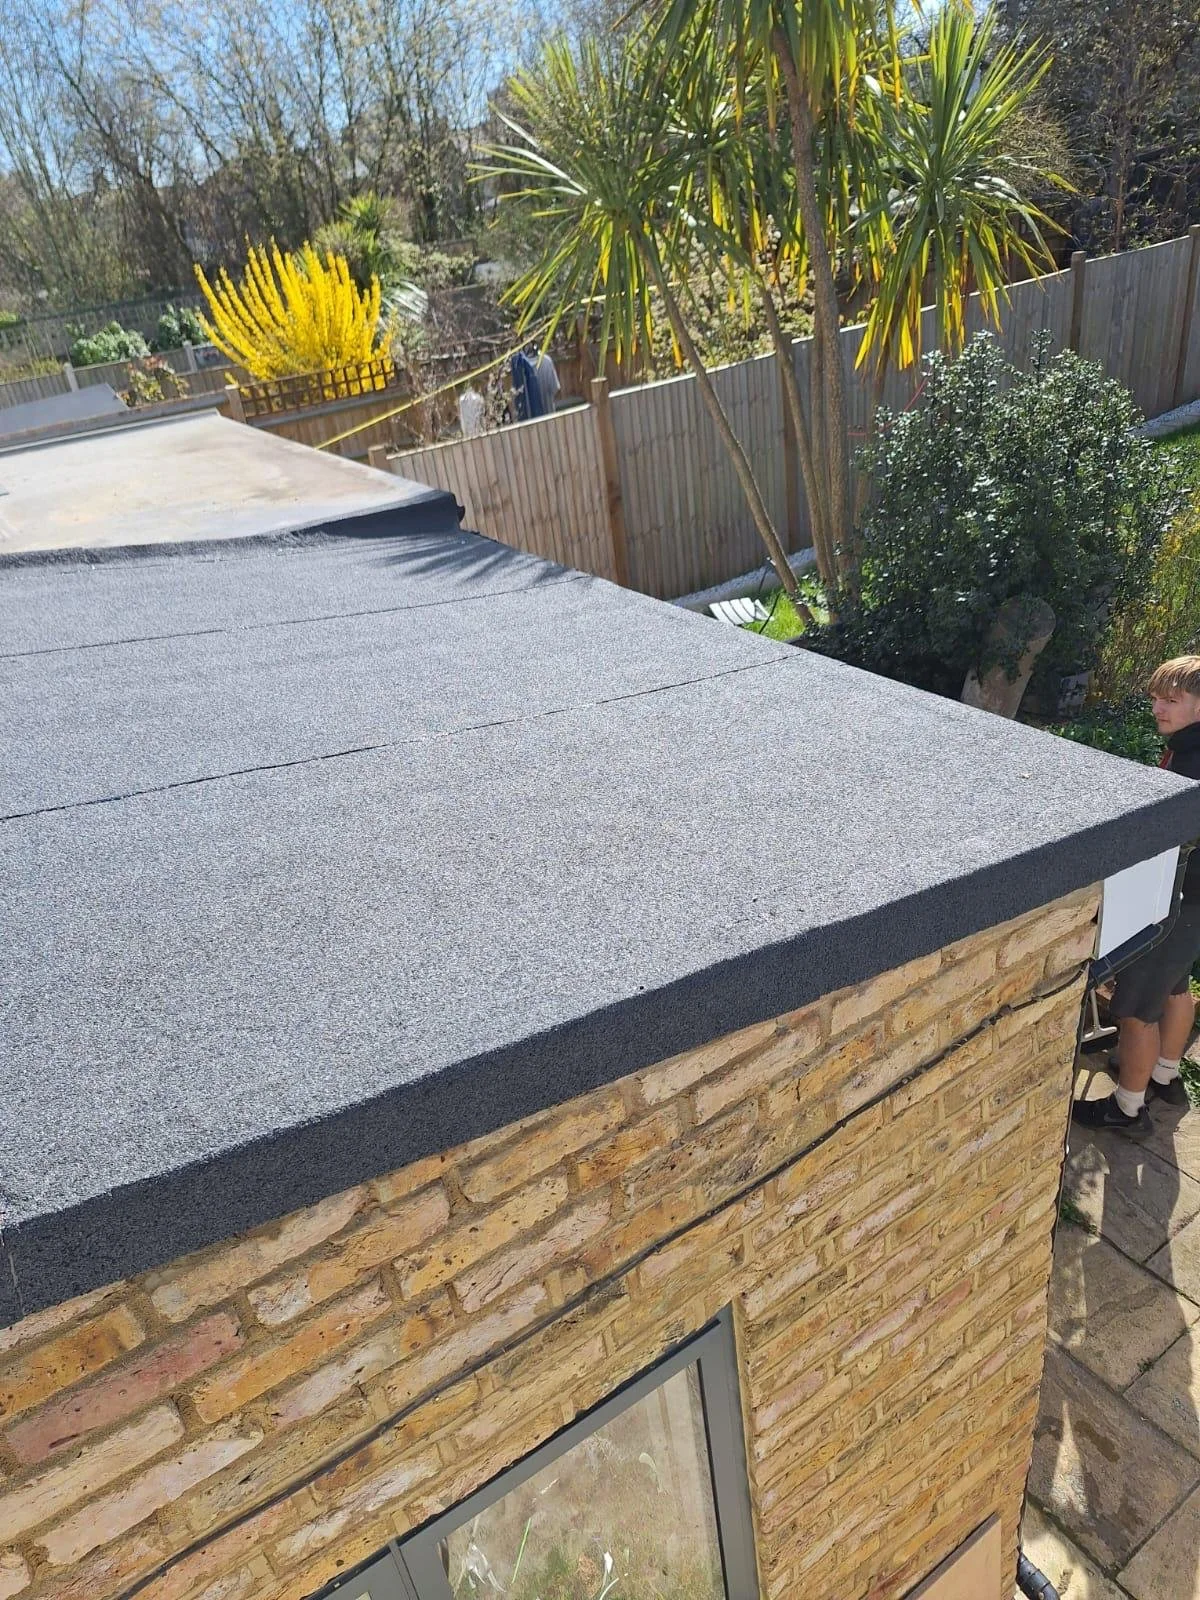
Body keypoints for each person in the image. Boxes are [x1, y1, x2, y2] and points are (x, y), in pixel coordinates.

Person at [1074, 655, 1200, 1135]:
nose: (1157, 709)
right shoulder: (1190, 749)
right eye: (1155, 698)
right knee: (1175, 987)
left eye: (1172, 700)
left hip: (1178, 901)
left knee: (1135, 1010)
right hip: (1195, 905)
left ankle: (1128, 1109)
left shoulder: (1190, 764)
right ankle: (1164, 1075)